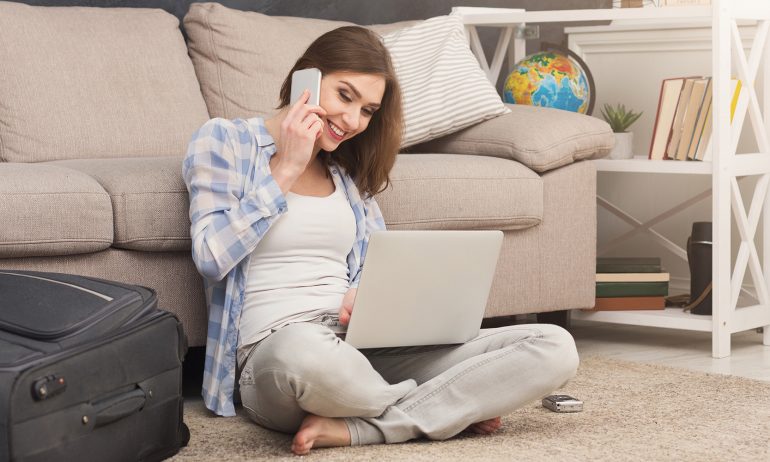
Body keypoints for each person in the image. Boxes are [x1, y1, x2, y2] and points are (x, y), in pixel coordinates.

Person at [182, 25, 579, 456]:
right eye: (345, 95)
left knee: (554, 346)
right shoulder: (225, 141)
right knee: (304, 352)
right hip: (278, 354)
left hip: (361, 348)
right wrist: (287, 168)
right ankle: (448, 407)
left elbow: (375, 268)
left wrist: (364, 292)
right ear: (305, 78)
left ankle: (365, 426)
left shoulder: (346, 176)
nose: (353, 121)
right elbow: (211, 255)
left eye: (368, 110)